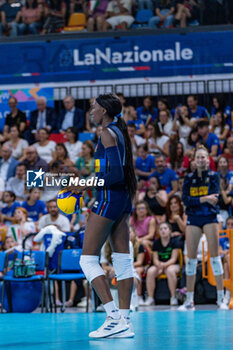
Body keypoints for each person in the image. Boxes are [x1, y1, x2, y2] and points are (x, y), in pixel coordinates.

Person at [65, 94, 137, 338]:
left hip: (109, 199)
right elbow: (111, 171)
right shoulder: (117, 130)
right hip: (122, 198)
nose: (91, 112)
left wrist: (84, 184)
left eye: (94, 108)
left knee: (87, 259)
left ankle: (113, 316)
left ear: (104, 110)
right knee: (121, 258)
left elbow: (114, 175)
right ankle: (125, 322)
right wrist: (82, 177)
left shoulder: (107, 133)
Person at [178, 145, 228, 311]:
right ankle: (189, 301)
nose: (200, 160)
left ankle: (221, 299)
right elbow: (186, 200)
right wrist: (204, 198)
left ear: (208, 160)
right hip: (193, 218)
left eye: (203, 157)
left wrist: (201, 199)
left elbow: (214, 198)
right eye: (198, 157)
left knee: (214, 257)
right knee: (190, 260)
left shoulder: (214, 177)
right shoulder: (188, 178)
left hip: (210, 218)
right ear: (194, 160)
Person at [144, 222, 180, 306]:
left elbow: (173, 259)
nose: (163, 231)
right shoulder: (156, 243)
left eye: (165, 228)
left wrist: (164, 265)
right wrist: (159, 265)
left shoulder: (175, 241)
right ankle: (150, 298)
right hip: (159, 265)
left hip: (172, 265)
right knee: (150, 271)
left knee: (170, 270)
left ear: (170, 231)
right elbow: (155, 259)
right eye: (160, 229)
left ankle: (173, 297)